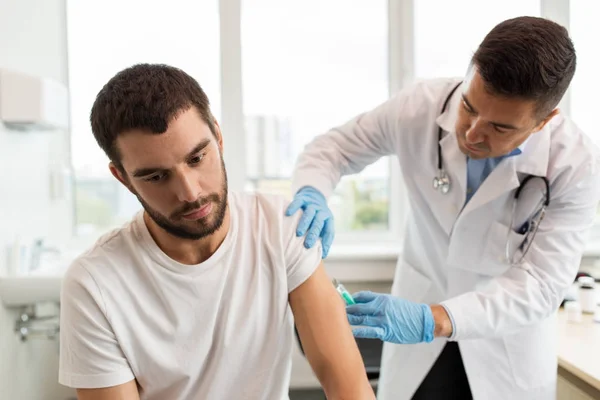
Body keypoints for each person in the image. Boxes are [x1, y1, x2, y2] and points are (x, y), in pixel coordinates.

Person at [286, 16, 600, 400]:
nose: (471, 133)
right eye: (469, 106)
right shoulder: (419, 106)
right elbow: (332, 149)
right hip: (420, 337)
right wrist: (312, 192)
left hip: (504, 345)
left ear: (543, 121)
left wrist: (433, 318)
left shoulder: (574, 164)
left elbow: (541, 285)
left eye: (499, 128)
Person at [58, 63, 376, 400]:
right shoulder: (94, 285)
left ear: (218, 136)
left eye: (197, 158)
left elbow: (349, 387)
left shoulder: (278, 228)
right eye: (156, 177)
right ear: (122, 178)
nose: (190, 193)